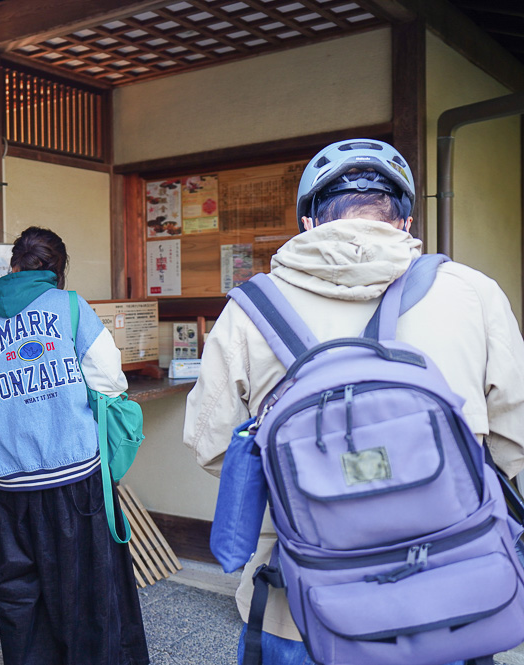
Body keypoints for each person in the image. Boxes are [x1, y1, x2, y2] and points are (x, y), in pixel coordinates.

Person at [182, 138, 524, 664]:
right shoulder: (474, 292)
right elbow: (512, 442)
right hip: (449, 594)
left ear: (308, 223)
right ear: (405, 221)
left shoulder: (249, 310)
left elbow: (214, 450)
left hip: (303, 599)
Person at [0, 226, 150, 665]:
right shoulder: (71, 307)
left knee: (21, 594)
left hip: (11, 486)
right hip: (75, 477)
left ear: (13, 267)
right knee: (87, 591)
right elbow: (110, 381)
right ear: (58, 270)